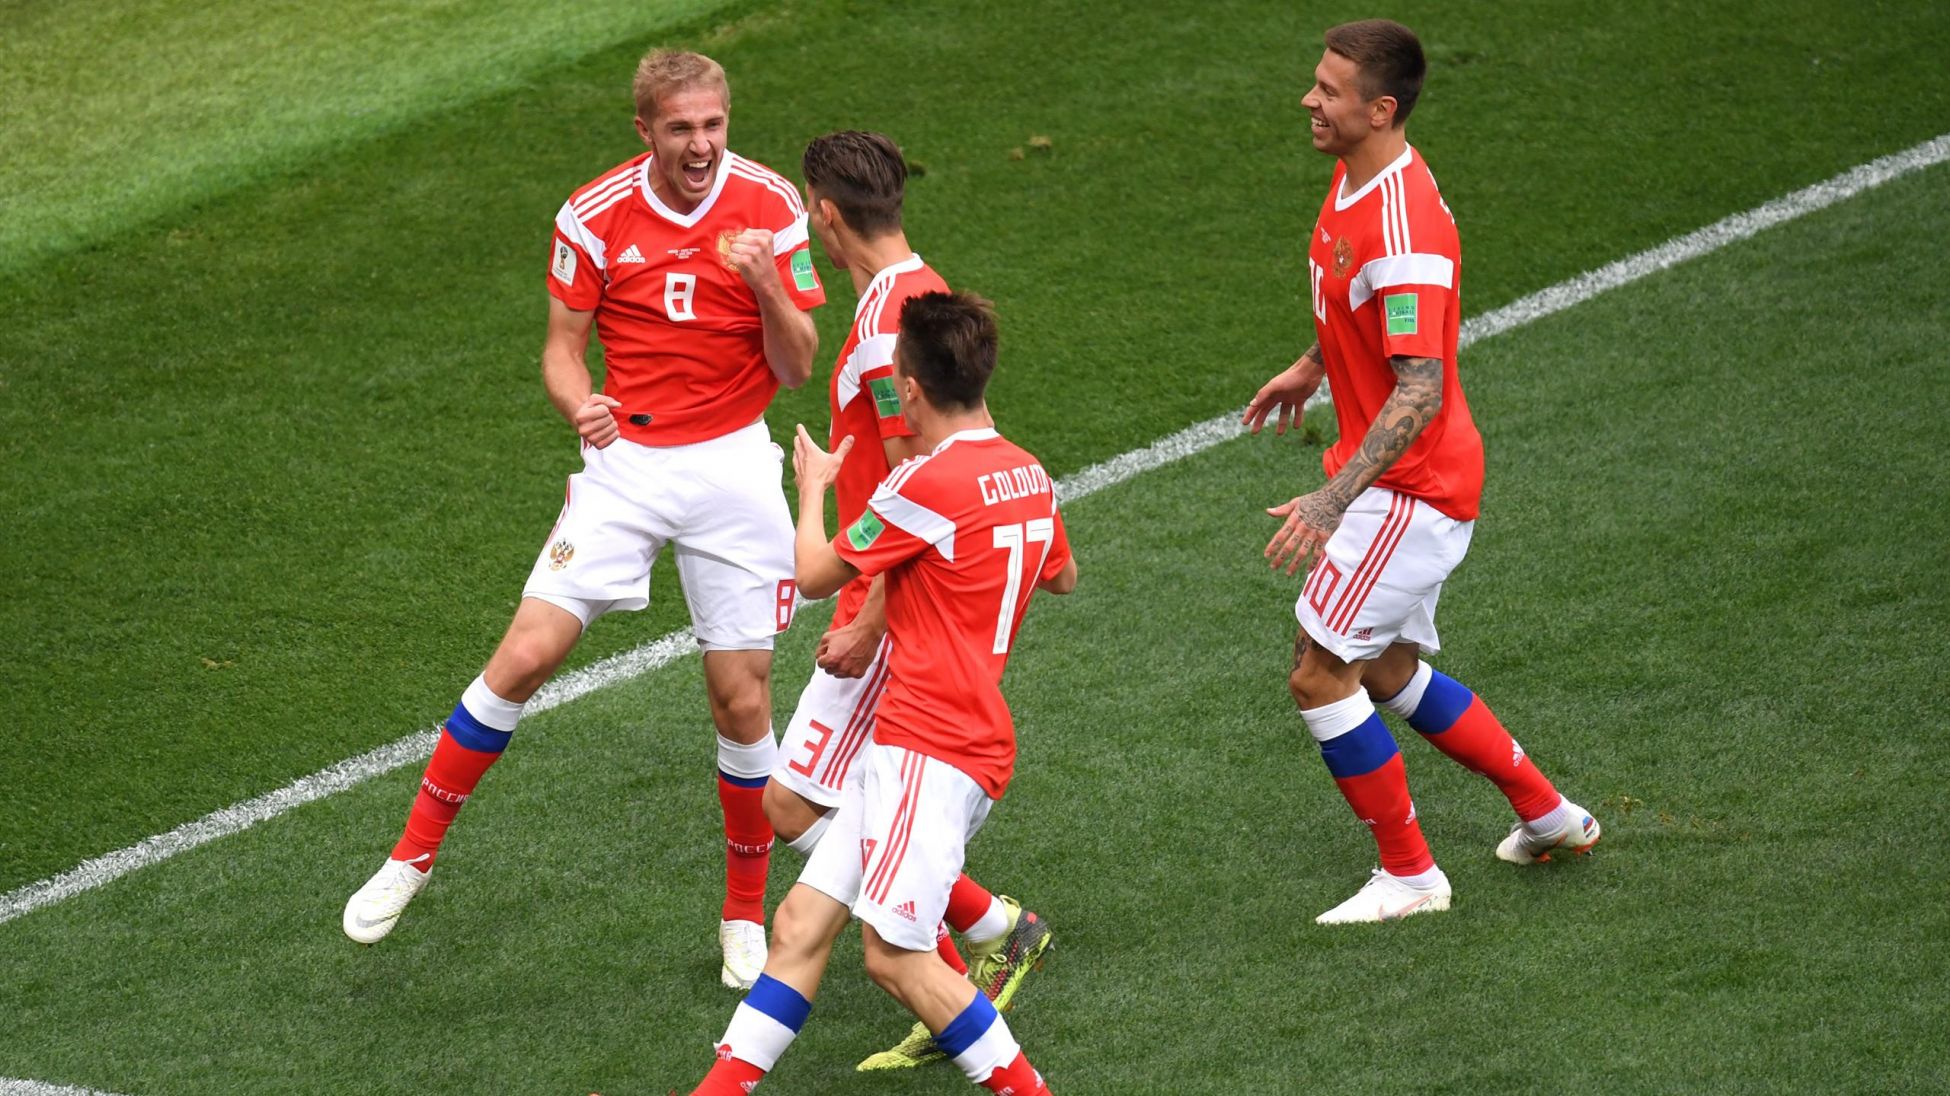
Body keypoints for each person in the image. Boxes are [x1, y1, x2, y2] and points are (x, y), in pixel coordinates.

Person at [342, 49, 825, 989]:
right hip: (627, 466)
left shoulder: (770, 205)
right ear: (643, 129)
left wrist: (766, 280)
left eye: (714, 125)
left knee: (742, 697)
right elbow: (562, 352)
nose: (701, 144)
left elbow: (799, 365)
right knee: (523, 656)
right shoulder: (594, 215)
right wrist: (580, 408)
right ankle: (411, 857)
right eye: (681, 127)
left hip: (732, 466)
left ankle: (740, 912)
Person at [1244, 19, 1599, 925]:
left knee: (1320, 673)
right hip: (1404, 483)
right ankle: (1551, 817)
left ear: (1381, 109)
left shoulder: (1402, 227)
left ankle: (1409, 876)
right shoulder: (1359, 173)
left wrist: (1332, 497)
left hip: (1410, 491)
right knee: (1389, 664)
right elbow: (1359, 303)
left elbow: (1421, 386)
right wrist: (1315, 364)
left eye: (1328, 90)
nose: (1309, 100)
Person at [688, 291, 1076, 1095]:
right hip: (941, 737)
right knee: (798, 927)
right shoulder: (1029, 472)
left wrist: (813, 484)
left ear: (910, 387)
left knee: (898, 960)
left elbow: (815, 572)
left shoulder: (925, 485)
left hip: (931, 745)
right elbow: (1061, 575)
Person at [771, 130, 1053, 1072]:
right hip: (887, 596)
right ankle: (991, 926)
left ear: (825, 211)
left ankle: (968, 960)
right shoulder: (894, 299)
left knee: (803, 818)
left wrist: (865, 622)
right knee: (797, 809)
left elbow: (916, 477)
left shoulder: (896, 323)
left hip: (895, 617)